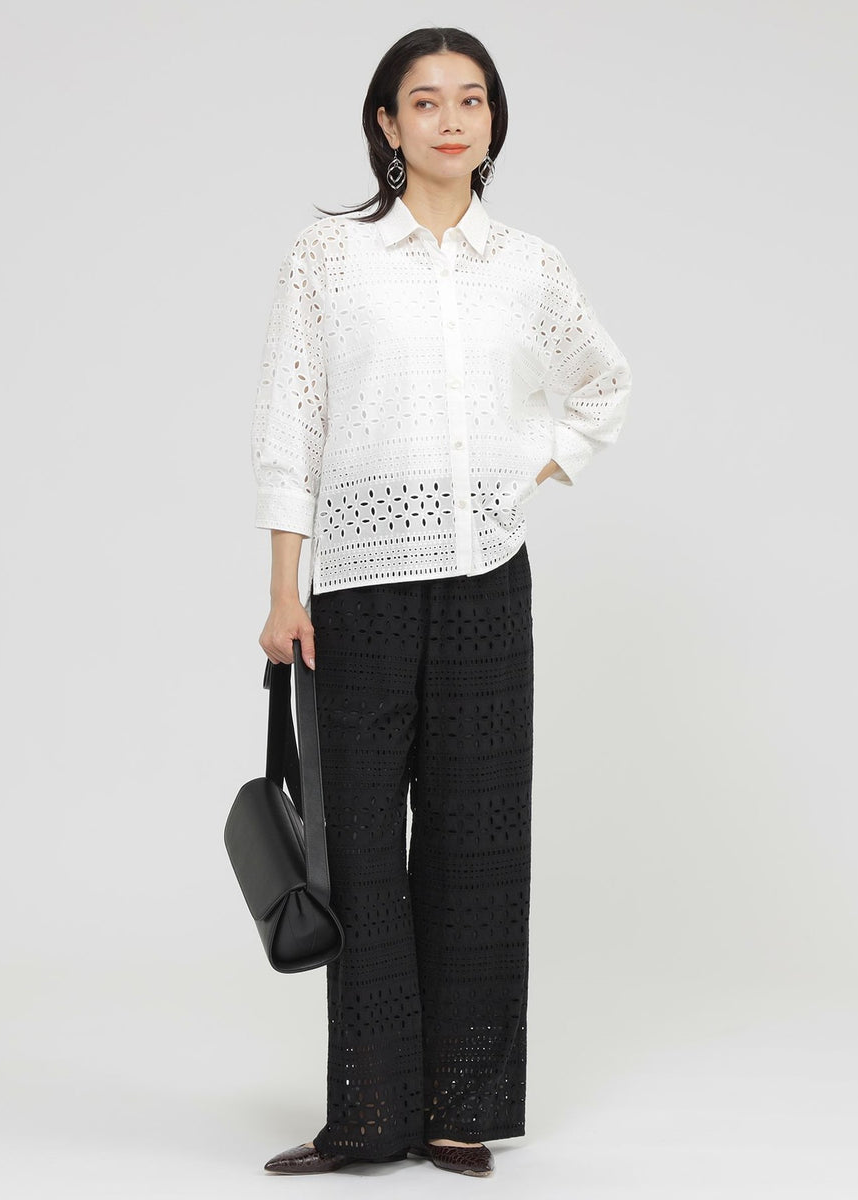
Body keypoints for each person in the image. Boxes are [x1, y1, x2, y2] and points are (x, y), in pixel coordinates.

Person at [252, 25, 632, 1179]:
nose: (451, 119)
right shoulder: (329, 259)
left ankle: (460, 1108)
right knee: (359, 849)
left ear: (493, 121)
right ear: (387, 124)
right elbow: (292, 421)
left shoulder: (530, 266)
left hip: (485, 582)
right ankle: (369, 1115)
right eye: (425, 101)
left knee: (477, 843)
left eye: (471, 99)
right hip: (356, 592)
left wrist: (529, 466)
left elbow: (602, 385)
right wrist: (282, 588)